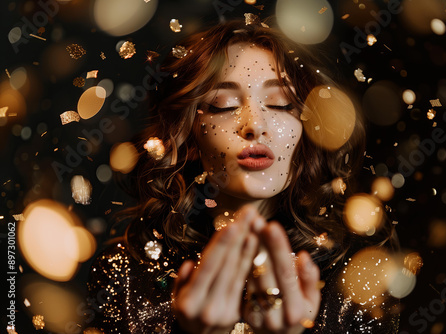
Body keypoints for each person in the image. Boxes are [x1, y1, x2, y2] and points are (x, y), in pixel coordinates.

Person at [84, 17, 399, 334]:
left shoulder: (357, 273)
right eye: (223, 104)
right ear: (189, 136)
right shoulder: (126, 275)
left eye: (280, 103)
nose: (255, 125)